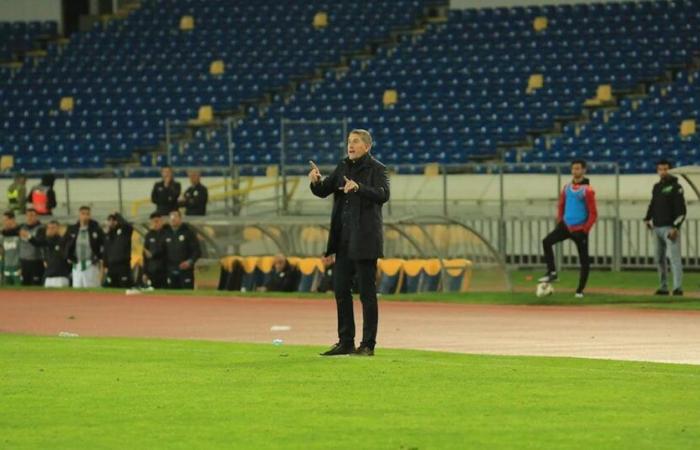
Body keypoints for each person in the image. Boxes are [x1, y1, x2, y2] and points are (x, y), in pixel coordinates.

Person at [309, 129, 389, 357]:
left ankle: (367, 344)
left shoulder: (377, 168)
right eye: (348, 142)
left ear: (367, 146)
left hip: (364, 239)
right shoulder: (343, 166)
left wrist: (359, 188)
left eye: (355, 142)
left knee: (366, 293)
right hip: (343, 240)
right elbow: (325, 190)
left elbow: (384, 194)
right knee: (341, 291)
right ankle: (345, 341)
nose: (350, 145)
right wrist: (316, 182)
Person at [539, 159, 598, 298]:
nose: (575, 171)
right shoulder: (566, 188)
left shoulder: (588, 190)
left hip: (580, 229)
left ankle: (579, 290)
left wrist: (585, 229)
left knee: (584, 261)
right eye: (573, 169)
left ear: (584, 170)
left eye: (578, 168)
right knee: (546, 241)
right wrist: (561, 221)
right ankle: (552, 272)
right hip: (565, 225)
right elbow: (561, 205)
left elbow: (593, 213)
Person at [644, 159, 686, 296]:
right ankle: (663, 287)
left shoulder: (676, 187)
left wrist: (676, 227)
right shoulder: (656, 187)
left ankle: (677, 287)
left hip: (669, 227)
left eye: (665, 169)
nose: (663, 172)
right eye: (660, 169)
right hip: (656, 227)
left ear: (670, 170)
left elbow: (681, 210)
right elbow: (652, 204)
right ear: (657, 171)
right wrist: (647, 218)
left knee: (674, 258)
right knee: (659, 258)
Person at [64, 206, 105, 288]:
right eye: (83, 214)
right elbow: (64, 243)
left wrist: (99, 257)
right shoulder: (72, 229)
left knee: (92, 288)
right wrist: (67, 256)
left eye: (87, 214)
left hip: (91, 264)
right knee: (77, 288)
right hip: (77, 264)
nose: (85, 216)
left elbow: (104, 244)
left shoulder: (96, 229)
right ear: (79, 215)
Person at [164, 209, 201, 289]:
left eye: (175, 216)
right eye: (171, 217)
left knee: (186, 296)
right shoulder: (166, 233)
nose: (173, 219)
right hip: (170, 270)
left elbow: (197, 251)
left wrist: (189, 262)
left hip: (185, 271)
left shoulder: (188, 232)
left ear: (180, 218)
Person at [31, 220, 71, 288]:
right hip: (48, 276)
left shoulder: (64, 241)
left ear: (58, 229)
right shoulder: (46, 241)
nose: (50, 230)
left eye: (53, 228)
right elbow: (37, 243)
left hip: (61, 277)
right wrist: (29, 237)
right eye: (48, 228)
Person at [103, 212, 133, 288]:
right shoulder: (107, 235)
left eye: (113, 220)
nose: (111, 222)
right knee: (110, 289)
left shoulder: (124, 231)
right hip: (111, 267)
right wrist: (105, 265)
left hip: (123, 266)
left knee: (124, 287)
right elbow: (106, 251)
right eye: (109, 220)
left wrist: (118, 215)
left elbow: (128, 226)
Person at [18, 208, 44, 285]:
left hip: (36, 261)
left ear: (36, 216)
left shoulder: (41, 228)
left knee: (36, 285)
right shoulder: (22, 227)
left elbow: (39, 243)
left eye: (32, 215)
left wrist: (28, 236)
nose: (29, 218)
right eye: (28, 215)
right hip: (24, 262)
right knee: (24, 285)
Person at [143, 212, 168, 289]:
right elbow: (145, 255)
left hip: (165, 270)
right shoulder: (149, 235)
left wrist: (153, 254)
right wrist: (145, 272)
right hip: (152, 270)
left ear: (162, 221)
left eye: (157, 221)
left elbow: (165, 249)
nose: (155, 224)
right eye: (153, 222)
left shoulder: (167, 233)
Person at [0, 211, 21, 285]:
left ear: (13, 220)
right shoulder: (3, 234)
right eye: (3, 220)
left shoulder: (20, 232)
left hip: (18, 267)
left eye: (6, 220)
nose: (3, 222)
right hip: (6, 266)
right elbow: (2, 250)